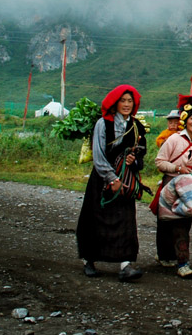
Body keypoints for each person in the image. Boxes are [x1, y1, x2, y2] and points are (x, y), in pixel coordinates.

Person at [76, 84, 148, 282]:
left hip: (124, 180)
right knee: (95, 218)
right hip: (102, 180)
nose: (126, 104)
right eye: (122, 100)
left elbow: (141, 151)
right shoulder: (102, 124)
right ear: (115, 103)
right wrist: (111, 178)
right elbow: (99, 155)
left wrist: (134, 160)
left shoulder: (136, 126)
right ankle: (89, 260)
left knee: (125, 221)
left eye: (129, 101)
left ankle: (125, 265)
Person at [154, 93, 192, 278]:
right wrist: (176, 168)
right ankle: (165, 255)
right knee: (165, 222)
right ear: (185, 120)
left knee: (183, 223)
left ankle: (183, 263)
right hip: (170, 184)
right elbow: (159, 162)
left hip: (189, 186)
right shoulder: (173, 140)